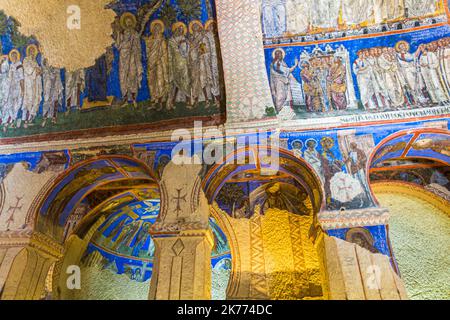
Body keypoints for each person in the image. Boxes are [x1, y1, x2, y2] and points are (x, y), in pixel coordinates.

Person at [116, 12, 143, 108]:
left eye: (130, 22)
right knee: (124, 77)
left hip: (132, 57)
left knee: (132, 77)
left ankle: (134, 99)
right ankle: (126, 99)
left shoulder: (135, 34)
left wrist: (135, 50)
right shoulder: (122, 33)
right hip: (123, 58)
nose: (128, 24)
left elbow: (138, 47)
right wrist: (119, 35)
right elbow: (118, 46)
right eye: (127, 22)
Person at [144, 19, 169, 110]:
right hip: (151, 63)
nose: (156, 30)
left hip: (159, 63)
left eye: (158, 28)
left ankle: (161, 102)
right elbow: (148, 51)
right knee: (151, 82)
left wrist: (161, 61)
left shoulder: (162, 39)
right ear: (152, 29)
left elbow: (164, 52)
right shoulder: (150, 39)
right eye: (155, 28)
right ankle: (153, 101)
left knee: (160, 82)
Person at [188, 20, 212, 108]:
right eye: (193, 26)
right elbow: (188, 50)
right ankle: (195, 100)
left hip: (201, 61)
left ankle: (207, 100)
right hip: (193, 62)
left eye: (196, 26)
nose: (194, 27)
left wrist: (199, 52)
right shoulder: (190, 38)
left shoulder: (202, 37)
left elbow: (204, 49)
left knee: (203, 80)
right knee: (194, 82)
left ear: (199, 27)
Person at [168, 22, 191, 109]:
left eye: (181, 30)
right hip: (175, 63)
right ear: (175, 30)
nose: (180, 31)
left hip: (184, 63)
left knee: (186, 81)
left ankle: (188, 100)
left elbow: (187, 50)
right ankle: (172, 101)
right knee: (176, 83)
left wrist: (186, 43)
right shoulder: (171, 40)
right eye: (178, 29)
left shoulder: (184, 38)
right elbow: (170, 53)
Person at [270, 49, 298, 113]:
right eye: (279, 54)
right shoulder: (276, 63)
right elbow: (286, 71)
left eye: (281, 54)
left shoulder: (281, 62)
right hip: (279, 82)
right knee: (281, 96)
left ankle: (283, 109)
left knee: (285, 95)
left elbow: (286, 72)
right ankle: (279, 110)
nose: (280, 55)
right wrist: (295, 65)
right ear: (276, 55)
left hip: (283, 81)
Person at [2, 49, 24, 132]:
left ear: (17, 56)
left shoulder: (19, 65)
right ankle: (11, 120)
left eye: (15, 56)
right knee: (9, 104)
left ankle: (14, 121)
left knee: (17, 105)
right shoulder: (11, 65)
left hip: (17, 87)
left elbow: (22, 78)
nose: (13, 57)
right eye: (12, 56)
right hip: (11, 88)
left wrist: (22, 90)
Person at [22, 44, 42, 128]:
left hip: (36, 84)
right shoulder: (26, 60)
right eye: (30, 51)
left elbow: (39, 71)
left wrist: (38, 71)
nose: (32, 52)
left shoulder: (35, 61)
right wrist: (35, 71)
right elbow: (28, 70)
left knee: (36, 99)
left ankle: (32, 118)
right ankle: (26, 120)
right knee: (29, 100)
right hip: (29, 84)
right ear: (28, 52)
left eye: (33, 51)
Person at [41, 58, 63, 127]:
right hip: (48, 87)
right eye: (47, 62)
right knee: (47, 101)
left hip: (55, 86)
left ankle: (54, 117)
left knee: (55, 100)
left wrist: (54, 75)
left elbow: (57, 74)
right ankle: (45, 118)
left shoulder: (55, 67)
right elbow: (45, 77)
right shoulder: (45, 69)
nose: (48, 63)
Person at [204, 20, 221, 105]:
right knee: (214, 79)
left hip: (219, 59)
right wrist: (207, 58)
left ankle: (221, 98)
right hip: (211, 60)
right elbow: (203, 48)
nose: (212, 27)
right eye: (211, 26)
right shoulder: (206, 36)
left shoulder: (219, 34)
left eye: (214, 26)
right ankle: (216, 99)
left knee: (219, 78)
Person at [0, 55, 10, 123]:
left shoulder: (5, 60)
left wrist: (1, 62)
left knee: (4, 102)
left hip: (4, 84)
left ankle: (4, 120)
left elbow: (3, 70)